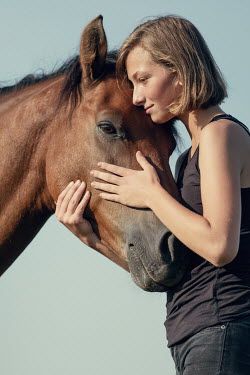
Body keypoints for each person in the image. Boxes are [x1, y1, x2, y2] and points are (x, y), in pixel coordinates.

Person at [55, 15, 250, 374]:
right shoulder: (189, 158)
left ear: (180, 68)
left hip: (222, 328)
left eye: (144, 79)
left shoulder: (221, 135)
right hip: (193, 334)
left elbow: (221, 247)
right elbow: (176, 271)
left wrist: (151, 194)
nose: (137, 96)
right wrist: (92, 240)